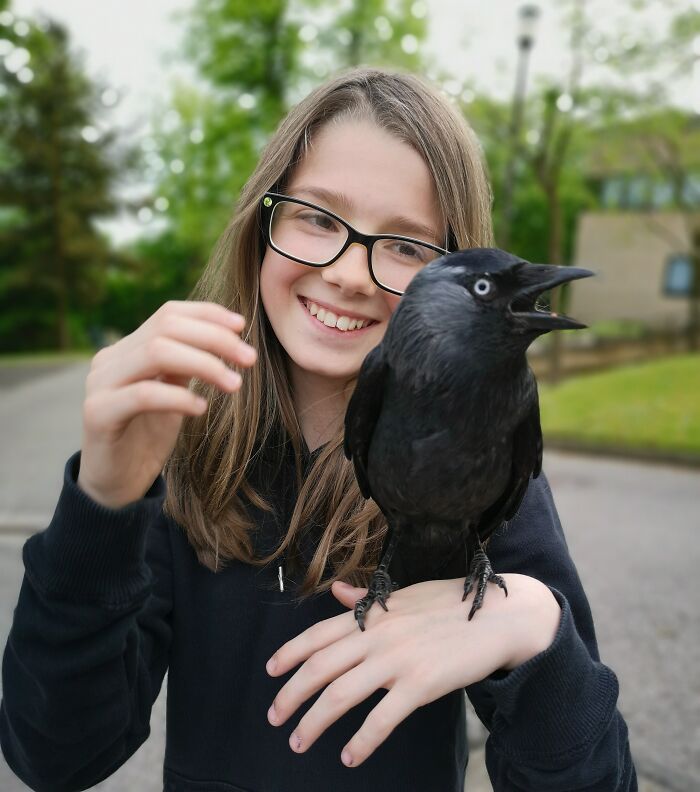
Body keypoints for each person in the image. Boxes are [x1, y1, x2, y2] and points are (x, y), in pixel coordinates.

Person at [0, 66, 637, 792]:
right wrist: (102, 503)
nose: (349, 273)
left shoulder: (490, 458)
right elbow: (54, 755)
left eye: (405, 245)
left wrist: (535, 633)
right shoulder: (182, 446)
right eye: (318, 218)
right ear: (260, 225)